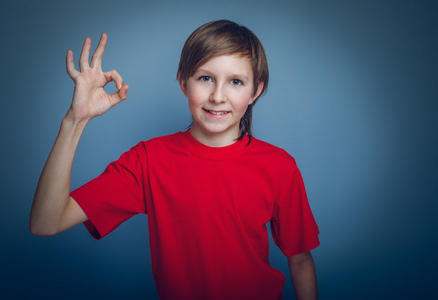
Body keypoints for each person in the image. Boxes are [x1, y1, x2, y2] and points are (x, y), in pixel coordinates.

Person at [30, 20, 320, 300]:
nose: (218, 96)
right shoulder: (148, 160)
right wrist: (75, 120)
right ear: (183, 82)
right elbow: (46, 222)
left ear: (255, 90)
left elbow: (299, 259)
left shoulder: (279, 166)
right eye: (205, 78)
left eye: (235, 81)